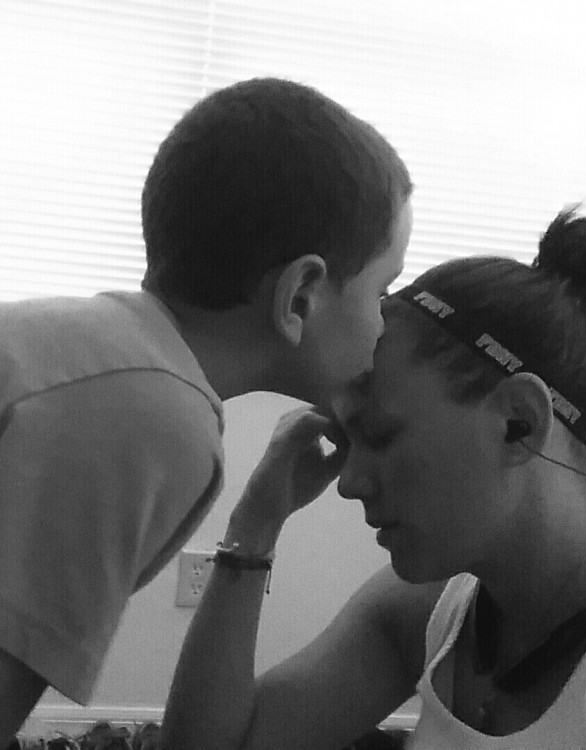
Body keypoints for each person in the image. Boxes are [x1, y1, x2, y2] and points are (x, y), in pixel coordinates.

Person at [0, 77, 413, 744]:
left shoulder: (100, 352)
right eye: (382, 288)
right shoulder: (152, 416)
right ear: (301, 294)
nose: (386, 322)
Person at [161, 207, 586, 750]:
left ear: (518, 423)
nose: (350, 483)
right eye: (348, 442)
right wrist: (255, 524)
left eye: (381, 436)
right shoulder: (431, 611)